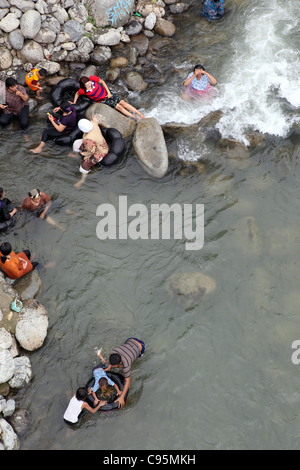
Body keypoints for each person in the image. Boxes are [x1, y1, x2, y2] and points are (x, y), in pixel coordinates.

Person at [71, 75, 145, 121]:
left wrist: (108, 92)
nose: (89, 85)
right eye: (86, 85)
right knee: (119, 107)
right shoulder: (83, 90)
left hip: (107, 93)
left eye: (89, 83)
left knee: (123, 103)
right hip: (102, 100)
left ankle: (139, 114)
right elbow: (77, 93)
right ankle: (135, 117)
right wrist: (74, 102)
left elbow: (102, 82)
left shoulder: (92, 78)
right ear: (84, 86)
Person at [105, 338, 145, 409]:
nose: (111, 364)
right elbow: (112, 362)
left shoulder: (126, 364)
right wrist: (108, 368)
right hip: (131, 340)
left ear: (119, 363)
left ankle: (136, 355)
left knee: (135, 360)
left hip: (140, 347)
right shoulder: (113, 352)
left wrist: (122, 397)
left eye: (113, 365)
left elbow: (128, 381)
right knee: (121, 368)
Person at [72, 117, 109, 188]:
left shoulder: (88, 139)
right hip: (99, 144)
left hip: (100, 152)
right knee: (76, 143)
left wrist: (84, 154)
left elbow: (92, 151)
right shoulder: (93, 124)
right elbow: (95, 119)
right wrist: (94, 119)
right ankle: (76, 155)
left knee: (84, 165)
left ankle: (82, 180)